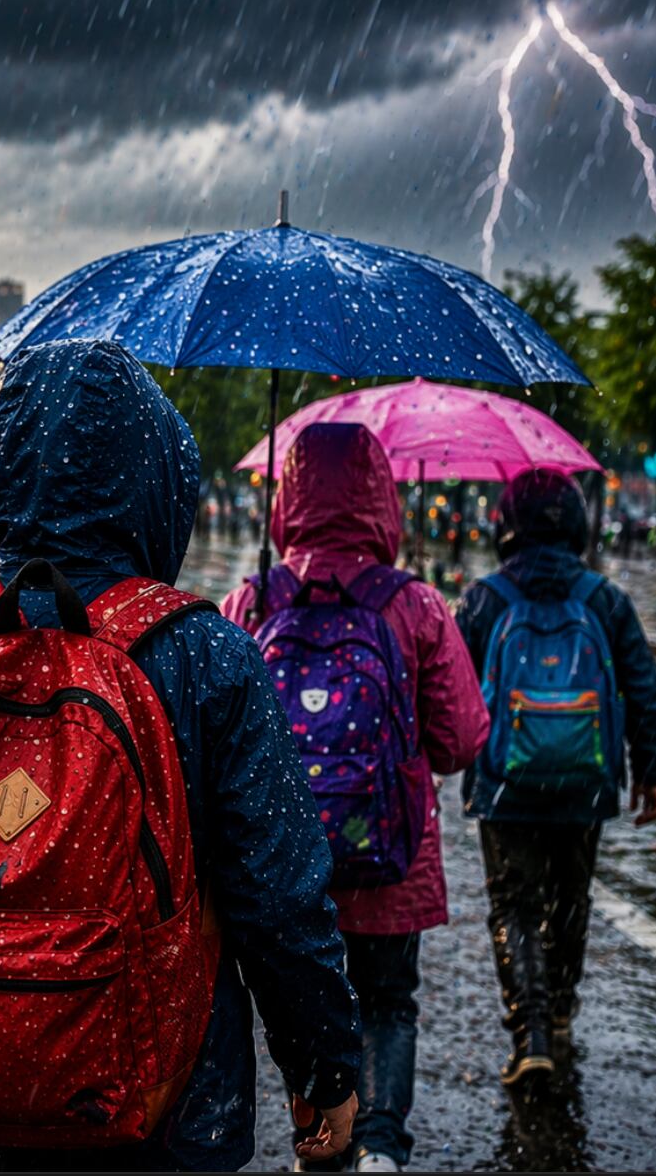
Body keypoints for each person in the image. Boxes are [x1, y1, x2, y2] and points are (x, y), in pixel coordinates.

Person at [0, 340, 362, 1172]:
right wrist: (322, 1066)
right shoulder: (206, 657)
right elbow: (280, 900)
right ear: (158, 479)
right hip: (169, 1115)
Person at [221, 424, 489, 1174]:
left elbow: (213, 748)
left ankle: (321, 1145)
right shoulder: (414, 607)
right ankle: (380, 1147)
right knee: (387, 1002)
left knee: (299, 1005)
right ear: (383, 498)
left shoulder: (251, 601)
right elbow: (462, 741)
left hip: (282, 869)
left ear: (288, 499)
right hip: (390, 861)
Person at [455, 467, 656, 1084]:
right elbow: (642, 687)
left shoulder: (485, 599)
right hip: (586, 783)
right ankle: (564, 1015)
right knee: (571, 900)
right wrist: (649, 770)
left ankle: (532, 1034)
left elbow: (453, 695)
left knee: (514, 905)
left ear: (507, 524)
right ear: (577, 521)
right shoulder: (605, 599)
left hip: (504, 784)